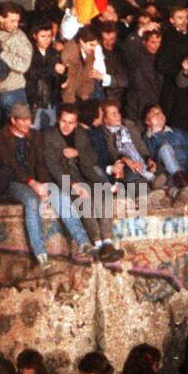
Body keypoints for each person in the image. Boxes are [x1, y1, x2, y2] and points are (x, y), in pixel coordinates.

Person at [0, 103, 95, 269]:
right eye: (22, 121)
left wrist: (43, 184)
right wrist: (32, 183)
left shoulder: (35, 135)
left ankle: (83, 242)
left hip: (37, 181)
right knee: (31, 202)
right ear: (13, 120)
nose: (27, 124)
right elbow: (11, 166)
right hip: (14, 182)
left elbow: (41, 164)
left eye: (29, 119)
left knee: (59, 195)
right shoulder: (0, 137)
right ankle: (41, 253)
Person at [38, 105, 125, 262]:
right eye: (63, 121)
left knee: (103, 193)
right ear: (58, 120)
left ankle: (108, 242)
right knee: (84, 200)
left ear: (77, 123)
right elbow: (53, 167)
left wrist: (78, 153)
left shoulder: (81, 134)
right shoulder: (49, 136)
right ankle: (99, 245)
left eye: (71, 122)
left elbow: (92, 158)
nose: (66, 126)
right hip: (63, 181)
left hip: (85, 177)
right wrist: (73, 185)